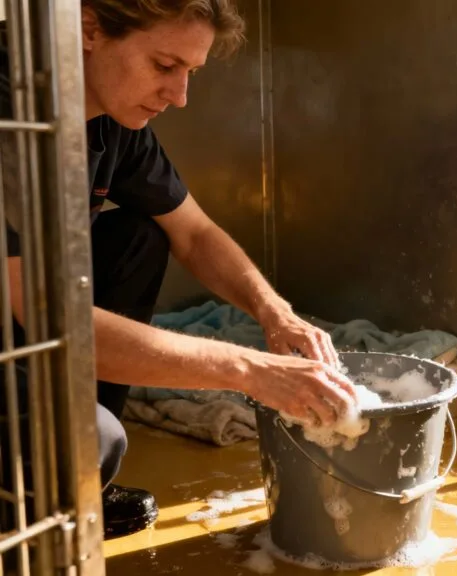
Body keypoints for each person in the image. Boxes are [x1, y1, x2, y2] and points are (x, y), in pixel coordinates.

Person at [0, 0, 357, 539]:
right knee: (88, 443)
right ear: (89, 29)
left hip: (25, 317)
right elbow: (44, 311)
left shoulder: (107, 111)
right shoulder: (14, 108)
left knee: (139, 237)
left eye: (190, 72)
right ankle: (37, 493)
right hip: (22, 313)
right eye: (165, 66)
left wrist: (276, 313)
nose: (180, 96)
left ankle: (79, 483)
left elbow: (193, 232)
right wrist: (249, 370)